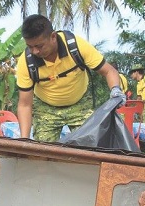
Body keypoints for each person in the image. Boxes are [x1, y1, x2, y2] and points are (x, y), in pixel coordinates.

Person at [15, 14, 125, 142]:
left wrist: (116, 90)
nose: (35, 52)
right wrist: (24, 140)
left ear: (53, 37)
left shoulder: (76, 46)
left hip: (80, 104)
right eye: (30, 46)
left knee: (89, 147)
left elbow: (109, 71)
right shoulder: (26, 62)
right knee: (43, 152)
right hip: (46, 110)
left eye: (39, 46)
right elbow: (25, 105)